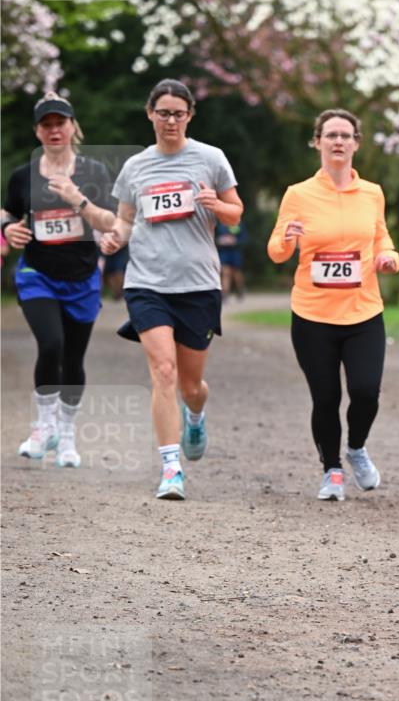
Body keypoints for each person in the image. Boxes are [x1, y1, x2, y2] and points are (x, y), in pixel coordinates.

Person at [101, 79, 243, 500]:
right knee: (163, 371)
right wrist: (114, 238)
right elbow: (126, 219)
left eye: (178, 113)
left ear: (190, 116)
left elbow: (236, 213)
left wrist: (217, 206)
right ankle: (170, 468)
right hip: (147, 283)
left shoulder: (211, 159)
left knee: (189, 385)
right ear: (150, 114)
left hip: (198, 284)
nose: (170, 120)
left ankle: (195, 415)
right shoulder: (136, 167)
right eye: (163, 112)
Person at [267, 109, 399, 501]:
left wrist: (390, 258)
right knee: (325, 397)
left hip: (363, 311)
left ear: (357, 142)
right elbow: (276, 252)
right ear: (318, 142)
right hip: (313, 315)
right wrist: (286, 239)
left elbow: (382, 239)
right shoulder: (299, 194)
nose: (338, 141)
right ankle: (332, 471)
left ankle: (356, 448)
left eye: (345, 135)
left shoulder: (372, 193)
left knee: (365, 392)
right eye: (331, 135)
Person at [1, 92, 115, 466]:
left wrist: (77, 199)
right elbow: (7, 213)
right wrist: (7, 230)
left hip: (81, 277)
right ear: (37, 131)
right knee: (50, 344)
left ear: (72, 127)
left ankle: (66, 437)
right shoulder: (23, 176)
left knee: (72, 357)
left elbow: (108, 223)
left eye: (59, 123)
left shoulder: (94, 172)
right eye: (46, 124)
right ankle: (42, 426)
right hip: (38, 274)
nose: (53, 130)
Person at [215, 219, 246, 299]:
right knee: (225, 272)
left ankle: (240, 290)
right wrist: (220, 241)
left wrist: (235, 241)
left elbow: (244, 238)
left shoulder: (238, 224)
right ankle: (225, 293)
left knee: (236, 273)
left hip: (235, 252)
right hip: (224, 252)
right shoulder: (220, 225)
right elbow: (214, 238)